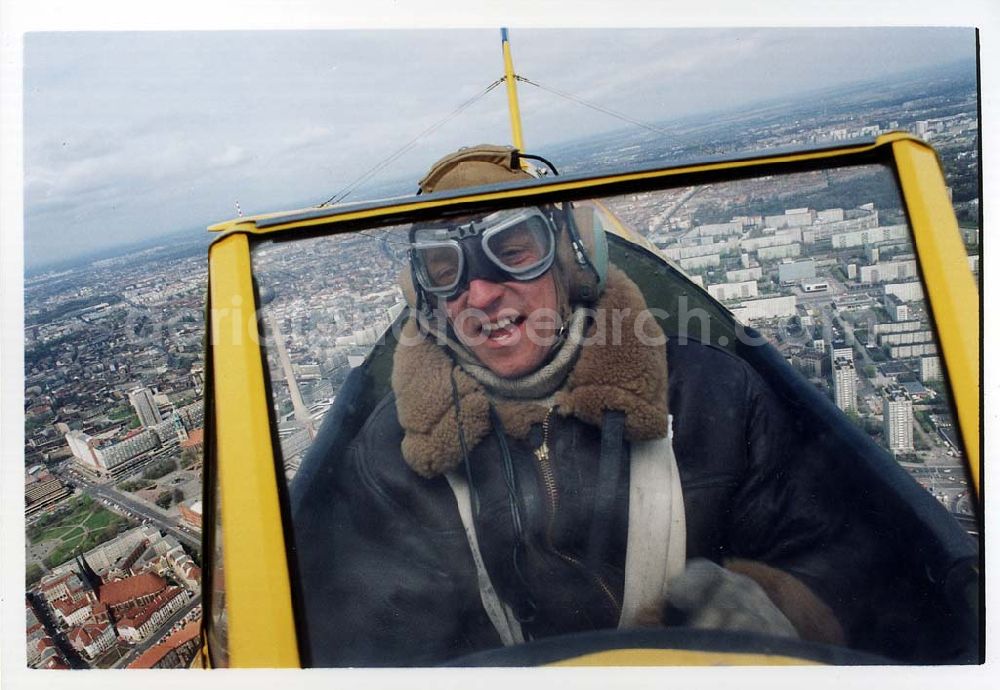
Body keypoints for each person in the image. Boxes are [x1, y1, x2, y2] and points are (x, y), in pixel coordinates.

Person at [290, 145, 877, 666]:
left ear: (572, 261)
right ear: (426, 299)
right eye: (446, 269)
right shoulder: (393, 455)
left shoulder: (712, 395)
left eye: (513, 250)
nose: (483, 292)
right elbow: (387, 646)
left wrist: (781, 608)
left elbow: (835, 562)